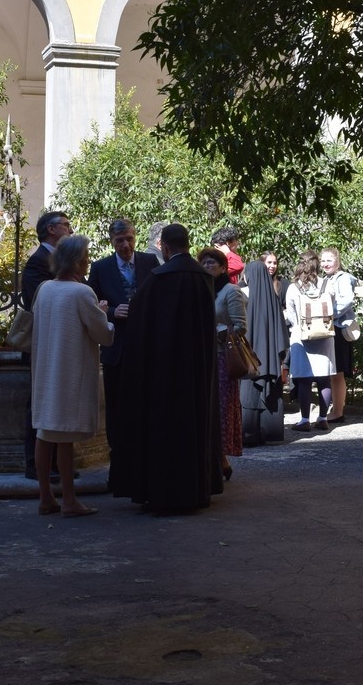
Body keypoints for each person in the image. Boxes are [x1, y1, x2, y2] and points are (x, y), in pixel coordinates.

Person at [109, 223, 221, 513]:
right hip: (196, 370)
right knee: (194, 425)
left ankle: (163, 490)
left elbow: (139, 323)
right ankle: (196, 490)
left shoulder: (158, 279)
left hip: (164, 372)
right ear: (188, 243)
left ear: (165, 247)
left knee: (164, 429)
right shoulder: (204, 278)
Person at [30, 235, 113, 518]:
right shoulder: (82, 293)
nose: (88, 261)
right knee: (63, 436)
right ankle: (68, 499)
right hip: (69, 371)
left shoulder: (44, 288)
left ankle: (46, 496)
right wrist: (103, 313)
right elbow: (103, 334)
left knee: (45, 432)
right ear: (77, 261)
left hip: (46, 370)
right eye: (86, 256)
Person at [86, 218, 158, 469]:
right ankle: (118, 459)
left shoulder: (150, 262)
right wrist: (112, 312)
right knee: (116, 405)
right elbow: (91, 304)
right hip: (115, 347)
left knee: (146, 402)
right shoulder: (100, 267)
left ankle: (146, 456)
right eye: (120, 241)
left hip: (146, 345)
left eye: (129, 239)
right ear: (111, 241)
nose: (126, 245)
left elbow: (159, 296)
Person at [19, 210, 72, 480]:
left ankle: (59, 465)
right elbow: (39, 300)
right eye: (66, 225)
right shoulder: (38, 262)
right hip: (44, 343)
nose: (70, 231)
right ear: (51, 230)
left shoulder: (63, 261)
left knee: (61, 403)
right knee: (40, 404)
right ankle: (35, 466)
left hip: (61, 341)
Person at [200, 248, 246, 480]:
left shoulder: (231, 291)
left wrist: (215, 333)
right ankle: (215, 460)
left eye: (212, 262)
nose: (208, 266)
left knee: (222, 409)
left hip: (222, 357)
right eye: (204, 263)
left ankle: (222, 459)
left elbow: (240, 327)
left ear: (222, 267)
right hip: (202, 357)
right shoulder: (201, 289)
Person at [284, 250, 336, 431]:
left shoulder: (294, 288)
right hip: (325, 335)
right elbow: (333, 308)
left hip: (302, 336)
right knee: (324, 379)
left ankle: (304, 420)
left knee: (304, 380)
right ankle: (323, 418)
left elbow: (291, 316)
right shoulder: (327, 284)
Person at [241, 257, 288, 445]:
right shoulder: (274, 300)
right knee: (272, 389)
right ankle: (272, 433)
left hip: (249, 359)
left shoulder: (245, 299)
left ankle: (249, 433)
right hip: (270, 359)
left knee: (249, 389)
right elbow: (282, 334)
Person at [320, 247, 359, 423]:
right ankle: (335, 410)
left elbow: (347, 300)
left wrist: (329, 315)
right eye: (323, 260)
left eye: (329, 260)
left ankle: (337, 412)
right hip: (328, 329)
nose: (325, 264)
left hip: (338, 330)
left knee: (338, 373)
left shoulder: (343, 278)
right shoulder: (325, 280)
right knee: (332, 373)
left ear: (337, 261)